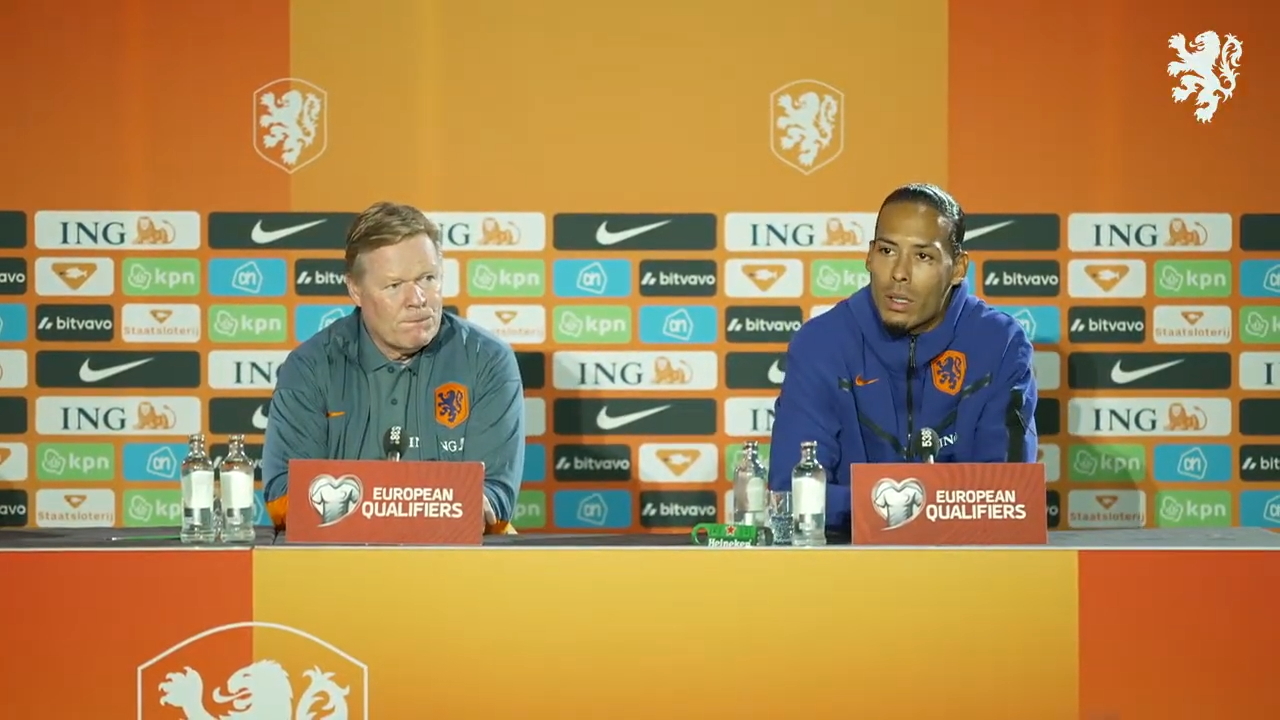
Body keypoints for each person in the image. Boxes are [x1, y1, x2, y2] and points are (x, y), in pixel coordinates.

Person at [767, 183, 1038, 534]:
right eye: (887, 251)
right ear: (869, 256)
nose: (899, 273)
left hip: (967, 559)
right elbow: (794, 497)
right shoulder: (820, 344)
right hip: (845, 560)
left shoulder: (999, 343)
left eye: (922, 256)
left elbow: (1009, 497)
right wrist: (914, 504)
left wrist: (877, 504)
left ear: (958, 268)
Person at [262, 202, 525, 533]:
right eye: (394, 285)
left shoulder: (486, 359)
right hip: (340, 557)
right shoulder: (310, 367)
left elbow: (495, 496)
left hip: (457, 556)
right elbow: (283, 495)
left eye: (427, 278)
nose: (417, 299)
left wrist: (398, 508)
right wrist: (396, 507)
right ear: (355, 290)